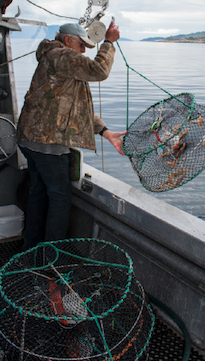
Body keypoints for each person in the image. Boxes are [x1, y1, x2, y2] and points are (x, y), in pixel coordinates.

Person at [16, 20, 126, 250]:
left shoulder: (57, 61)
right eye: (81, 45)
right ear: (68, 40)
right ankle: (52, 263)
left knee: (39, 192)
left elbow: (77, 107)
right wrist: (108, 42)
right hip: (48, 144)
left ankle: (31, 248)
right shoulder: (62, 55)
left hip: (31, 140)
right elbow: (99, 71)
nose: (84, 50)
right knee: (60, 199)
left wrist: (105, 132)